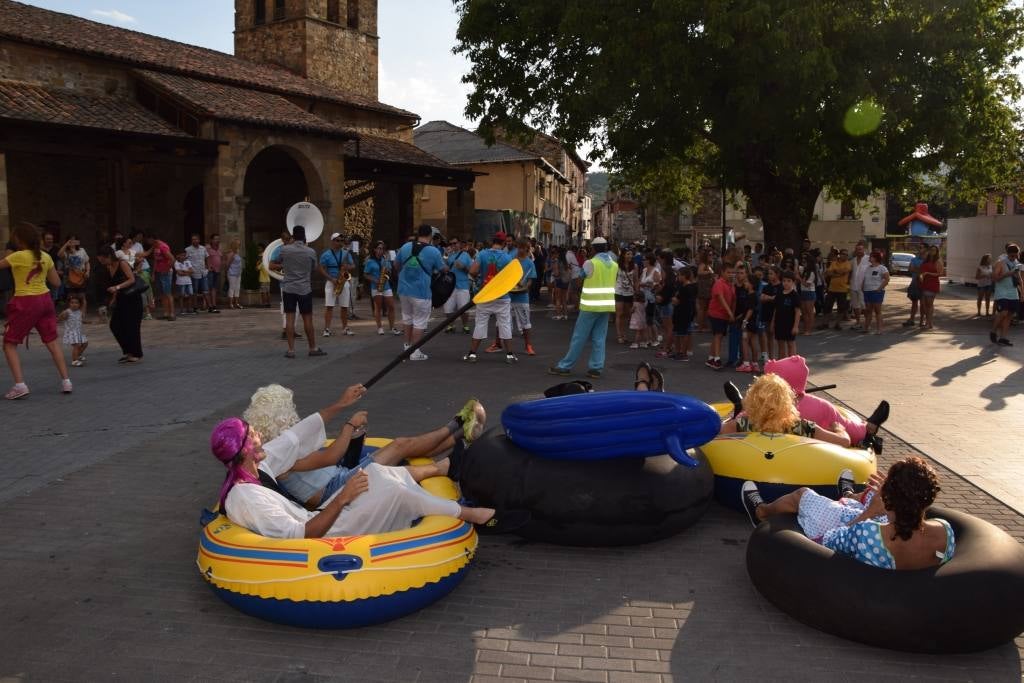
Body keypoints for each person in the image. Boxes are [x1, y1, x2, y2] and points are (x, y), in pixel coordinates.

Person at [209, 388, 506, 540]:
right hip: (323, 535)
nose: (259, 434)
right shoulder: (245, 496)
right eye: (253, 435)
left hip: (325, 511)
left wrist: (341, 404)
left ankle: (450, 467)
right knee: (395, 490)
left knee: (379, 473)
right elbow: (301, 536)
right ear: (246, 448)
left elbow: (296, 436)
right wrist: (344, 498)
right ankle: (469, 512)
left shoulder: (259, 466)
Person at [741, 457, 954, 571]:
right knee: (871, 493)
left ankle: (760, 511)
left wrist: (870, 513)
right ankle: (849, 495)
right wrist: (884, 501)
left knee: (803, 495)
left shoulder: (868, 533)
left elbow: (829, 539)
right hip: (894, 522)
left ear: (891, 498)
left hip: (853, 533)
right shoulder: (945, 530)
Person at [1, 222, 72, 398]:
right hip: (45, 300)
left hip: (25, 301)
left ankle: (20, 385)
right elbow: (56, 282)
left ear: (19, 239)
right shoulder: (46, 256)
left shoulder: (17, 256)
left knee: (9, 344)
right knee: (52, 341)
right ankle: (66, 381)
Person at [764, 354, 890, 452]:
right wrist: (838, 429)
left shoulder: (758, 410)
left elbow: (746, 415)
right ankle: (868, 429)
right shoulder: (817, 410)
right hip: (810, 454)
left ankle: (869, 427)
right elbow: (845, 435)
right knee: (843, 424)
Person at [548, 236, 618, 379]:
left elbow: (579, 281)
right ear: (606, 248)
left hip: (590, 305)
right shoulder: (614, 264)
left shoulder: (590, 263)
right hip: (606, 305)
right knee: (599, 338)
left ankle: (565, 366)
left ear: (593, 248)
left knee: (579, 337)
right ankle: (596, 368)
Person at [719, 373, 852, 446]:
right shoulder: (801, 427)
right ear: (787, 400)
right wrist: (838, 428)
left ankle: (738, 406)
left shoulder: (742, 424)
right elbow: (845, 441)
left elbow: (712, 434)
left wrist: (732, 418)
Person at [271, 225, 325, 358]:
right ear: (304, 236)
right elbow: (313, 268)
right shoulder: (311, 252)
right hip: (304, 288)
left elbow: (271, 265)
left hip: (288, 287)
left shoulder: (284, 250)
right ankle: (312, 348)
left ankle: (291, 350)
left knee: (290, 318)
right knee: (307, 319)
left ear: (293, 236)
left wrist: (285, 265)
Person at [396, 224, 447, 361]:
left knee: (407, 318)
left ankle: (407, 348)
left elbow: (396, 265)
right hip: (421, 291)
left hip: (403, 289)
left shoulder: (405, 247)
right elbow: (443, 269)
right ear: (430, 235)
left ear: (418, 234)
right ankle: (415, 352)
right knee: (419, 322)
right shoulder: (433, 251)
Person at [464, 232, 516, 364]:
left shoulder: (482, 254)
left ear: (493, 241)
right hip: (502, 296)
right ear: (504, 243)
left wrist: (479, 279)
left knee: (480, 323)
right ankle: (510, 355)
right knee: (505, 324)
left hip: (486, 294)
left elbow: (472, 271)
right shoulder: (507, 257)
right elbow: (511, 278)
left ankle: (472, 354)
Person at [97, 245, 144, 364]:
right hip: (121, 299)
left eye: (102, 259)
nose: (102, 262)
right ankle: (128, 351)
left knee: (132, 327)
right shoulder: (108, 267)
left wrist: (117, 287)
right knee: (115, 325)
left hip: (132, 298)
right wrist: (114, 297)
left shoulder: (122, 263)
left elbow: (131, 279)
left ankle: (136, 353)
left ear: (108, 256)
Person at [319, 233, 355, 337]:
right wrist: (331, 279)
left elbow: (353, 265)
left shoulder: (346, 253)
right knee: (329, 306)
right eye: (337, 240)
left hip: (343, 281)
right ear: (332, 241)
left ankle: (345, 328)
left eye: (341, 240)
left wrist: (346, 267)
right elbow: (321, 268)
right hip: (331, 282)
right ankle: (326, 329)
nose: (340, 242)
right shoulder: (326, 254)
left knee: (344, 306)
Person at [363, 241, 399, 335]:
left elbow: (390, 272)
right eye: (379, 248)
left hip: (386, 285)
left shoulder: (385, 260)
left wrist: (387, 270)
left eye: (382, 248)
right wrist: (375, 280)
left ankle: (392, 327)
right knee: (378, 307)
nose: (381, 250)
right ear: (374, 249)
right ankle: (380, 328)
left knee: (391, 306)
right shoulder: (370, 261)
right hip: (376, 286)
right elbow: (366, 275)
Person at [705, 262, 735, 370]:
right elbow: (721, 299)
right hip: (716, 313)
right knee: (718, 335)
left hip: (724, 315)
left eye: (733, 273)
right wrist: (730, 312)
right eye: (728, 272)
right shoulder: (719, 283)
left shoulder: (730, 284)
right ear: (722, 272)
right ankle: (717, 359)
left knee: (718, 336)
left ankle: (711, 358)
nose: (731, 274)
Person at [990, 243, 1021, 346]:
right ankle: (993, 331)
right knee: (1003, 312)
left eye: (1016, 255)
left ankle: (1003, 337)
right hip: (1002, 292)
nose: (1014, 258)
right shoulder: (1000, 263)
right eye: (1012, 256)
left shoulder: (1017, 264)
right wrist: (1007, 274)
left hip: (1013, 292)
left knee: (1010, 315)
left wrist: (1023, 292)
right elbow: (994, 278)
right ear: (1007, 254)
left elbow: (1019, 278)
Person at [510, 239, 537, 356]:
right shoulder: (511, 260)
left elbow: (531, 280)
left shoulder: (530, 263)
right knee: (501, 323)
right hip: (509, 296)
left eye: (523, 247)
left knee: (526, 323)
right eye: (519, 247)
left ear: (527, 248)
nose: (520, 250)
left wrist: (525, 285)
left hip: (522, 297)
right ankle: (498, 344)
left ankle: (528, 346)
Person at [443, 237, 473, 334]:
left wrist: (463, 267)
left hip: (462, 285)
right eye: (451, 243)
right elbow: (445, 268)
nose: (453, 245)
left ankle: (465, 326)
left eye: (455, 243)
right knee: (448, 308)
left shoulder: (466, 255)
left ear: (459, 244)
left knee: (463, 308)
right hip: (450, 285)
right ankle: (451, 325)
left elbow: (472, 271)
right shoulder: (449, 255)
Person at [58, 235, 90, 323]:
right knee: (70, 297)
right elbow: (59, 254)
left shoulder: (82, 250)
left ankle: (82, 317)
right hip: (70, 278)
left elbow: (87, 262)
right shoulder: (66, 252)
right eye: (71, 240)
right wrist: (66, 245)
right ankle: (71, 317)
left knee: (82, 297)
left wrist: (87, 271)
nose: (73, 242)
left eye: (75, 240)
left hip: (81, 276)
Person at [734, 267, 759, 373]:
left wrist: (744, 321)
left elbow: (750, 310)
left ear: (751, 284)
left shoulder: (751, 295)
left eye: (746, 282)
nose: (745, 283)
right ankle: (755, 363)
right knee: (753, 341)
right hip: (753, 322)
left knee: (744, 341)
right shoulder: (754, 295)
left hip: (748, 322)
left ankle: (746, 363)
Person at [671, 266, 697, 361]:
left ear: (684, 276)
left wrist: (675, 300)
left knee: (683, 334)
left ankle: (683, 353)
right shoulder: (685, 287)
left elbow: (678, 301)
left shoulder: (686, 288)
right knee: (679, 333)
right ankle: (679, 352)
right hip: (681, 313)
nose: (677, 277)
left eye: (679, 275)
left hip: (684, 313)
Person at [186, 234, 216, 314]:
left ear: (199, 240)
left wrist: (208, 267)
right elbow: (185, 260)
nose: (194, 241)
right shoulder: (188, 249)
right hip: (194, 273)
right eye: (193, 239)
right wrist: (189, 270)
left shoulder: (203, 249)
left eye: (196, 239)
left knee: (206, 290)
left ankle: (210, 307)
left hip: (203, 272)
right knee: (194, 291)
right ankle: (195, 307)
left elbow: (207, 257)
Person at [146, 234, 175, 320]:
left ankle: (172, 313)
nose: (147, 242)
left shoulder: (162, 246)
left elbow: (172, 259)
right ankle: (166, 313)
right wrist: (153, 273)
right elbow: (156, 260)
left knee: (168, 293)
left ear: (152, 239)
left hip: (165, 272)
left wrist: (167, 268)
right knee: (163, 293)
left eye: (148, 240)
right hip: (159, 271)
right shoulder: (155, 247)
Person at [821, 248, 851, 331]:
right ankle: (825, 323)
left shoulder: (848, 264)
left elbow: (844, 271)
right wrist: (837, 273)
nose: (845, 256)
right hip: (832, 289)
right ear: (840, 255)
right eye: (843, 254)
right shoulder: (834, 263)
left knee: (841, 308)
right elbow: (829, 273)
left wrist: (835, 272)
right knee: (827, 307)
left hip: (843, 289)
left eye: (846, 254)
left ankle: (837, 324)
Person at [773, 270, 801, 358]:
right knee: (781, 345)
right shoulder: (779, 294)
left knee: (790, 344)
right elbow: (776, 309)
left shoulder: (794, 295)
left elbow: (797, 312)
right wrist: (772, 322)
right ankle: (782, 364)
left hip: (790, 324)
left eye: (789, 281)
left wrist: (796, 326)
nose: (786, 283)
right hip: (779, 323)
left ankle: (792, 365)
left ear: (793, 282)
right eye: (784, 281)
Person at [861, 251, 890, 335]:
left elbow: (887, 279)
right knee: (868, 310)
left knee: (877, 310)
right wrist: (862, 286)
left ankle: (879, 329)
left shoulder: (882, 268)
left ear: (876, 258)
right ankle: (866, 328)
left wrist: (879, 288)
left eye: (871, 256)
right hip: (867, 291)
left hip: (876, 292)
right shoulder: (867, 268)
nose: (869, 258)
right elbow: (865, 278)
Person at [614, 248, 638, 344]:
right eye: (628, 254)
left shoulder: (635, 266)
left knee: (627, 314)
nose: (630, 256)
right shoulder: (617, 266)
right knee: (619, 313)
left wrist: (637, 291)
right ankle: (619, 335)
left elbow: (636, 280)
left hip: (630, 292)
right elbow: (614, 278)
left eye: (631, 254)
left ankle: (624, 334)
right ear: (623, 255)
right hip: (619, 291)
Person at [918, 246, 943, 330]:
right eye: (931, 250)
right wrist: (921, 276)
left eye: (934, 250)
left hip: (932, 284)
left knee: (929, 304)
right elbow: (921, 272)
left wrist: (927, 273)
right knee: (924, 305)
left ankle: (929, 323)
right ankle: (928, 322)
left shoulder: (938, 261)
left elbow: (940, 273)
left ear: (937, 251)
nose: (932, 251)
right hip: (924, 284)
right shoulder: (926, 260)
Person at [59, 294, 88, 366]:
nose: (74, 304)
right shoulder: (67, 312)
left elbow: (84, 305)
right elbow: (60, 318)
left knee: (85, 344)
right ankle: (74, 360)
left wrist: (83, 299)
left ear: (79, 304)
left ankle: (78, 355)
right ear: (69, 304)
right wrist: (62, 316)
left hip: (79, 332)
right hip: (71, 332)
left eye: (76, 303)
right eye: (72, 303)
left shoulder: (80, 311)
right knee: (77, 345)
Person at [903, 245, 927, 327]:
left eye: (921, 247)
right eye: (919, 247)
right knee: (914, 302)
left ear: (926, 249)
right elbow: (910, 269)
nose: (919, 249)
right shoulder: (914, 259)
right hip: (915, 283)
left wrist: (917, 269)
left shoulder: (928, 260)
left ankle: (922, 321)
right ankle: (912, 319)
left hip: (925, 283)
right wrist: (920, 270)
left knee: (923, 303)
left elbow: (924, 270)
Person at [849, 241, 870, 330]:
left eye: (860, 249)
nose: (859, 251)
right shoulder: (852, 261)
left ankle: (867, 323)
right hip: (853, 285)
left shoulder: (868, 259)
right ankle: (858, 322)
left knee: (864, 306)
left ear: (864, 250)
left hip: (864, 287)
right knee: (855, 306)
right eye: (857, 249)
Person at [799, 253, 819, 335]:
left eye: (805, 261)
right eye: (803, 261)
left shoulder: (812, 273)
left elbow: (807, 284)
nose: (803, 263)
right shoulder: (804, 271)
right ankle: (805, 329)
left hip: (810, 292)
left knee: (809, 312)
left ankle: (809, 330)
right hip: (803, 292)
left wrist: (799, 278)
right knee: (803, 312)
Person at [224, 239, 244, 309]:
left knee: (237, 288)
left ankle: (237, 303)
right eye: (238, 244)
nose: (239, 245)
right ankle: (230, 303)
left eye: (239, 244)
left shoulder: (237, 253)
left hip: (238, 273)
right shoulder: (231, 253)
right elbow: (227, 264)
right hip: (232, 273)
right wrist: (226, 274)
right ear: (234, 245)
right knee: (232, 288)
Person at [173, 250, 194, 315]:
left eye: (184, 255)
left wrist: (184, 271)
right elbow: (179, 273)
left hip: (188, 282)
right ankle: (182, 309)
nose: (183, 256)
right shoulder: (176, 263)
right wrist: (187, 272)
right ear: (178, 256)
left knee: (190, 295)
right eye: (182, 255)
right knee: (181, 296)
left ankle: (189, 308)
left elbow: (192, 271)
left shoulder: (188, 262)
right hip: (181, 282)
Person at [206, 234, 222, 310]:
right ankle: (209, 305)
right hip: (211, 271)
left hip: (217, 271)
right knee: (209, 287)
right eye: (215, 239)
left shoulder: (219, 249)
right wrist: (208, 267)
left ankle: (214, 304)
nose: (217, 240)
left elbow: (221, 259)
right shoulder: (208, 249)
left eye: (218, 239)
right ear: (211, 240)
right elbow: (206, 258)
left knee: (214, 288)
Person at [256, 242, 272, 308]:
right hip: (268, 279)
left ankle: (264, 303)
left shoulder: (262, 264)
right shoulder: (267, 263)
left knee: (263, 292)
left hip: (263, 279)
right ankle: (268, 303)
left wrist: (258, 263)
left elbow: (256, 268)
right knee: (267, 292)